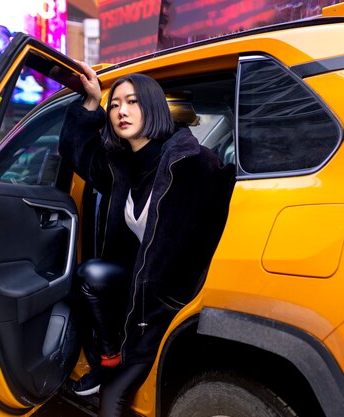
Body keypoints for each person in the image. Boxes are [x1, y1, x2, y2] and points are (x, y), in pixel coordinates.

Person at [58, 61, 235, 417]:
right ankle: (110, 358)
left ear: (154, 106)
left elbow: (217, 232)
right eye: (115, 104)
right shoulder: (122, 166)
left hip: (169, 300)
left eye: (133, 101)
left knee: (110, 403)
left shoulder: (194, 164)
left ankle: (117, 363)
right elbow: (76, 153)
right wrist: (92, 102)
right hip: (139, 292)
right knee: (89, 277)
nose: (121, 110)